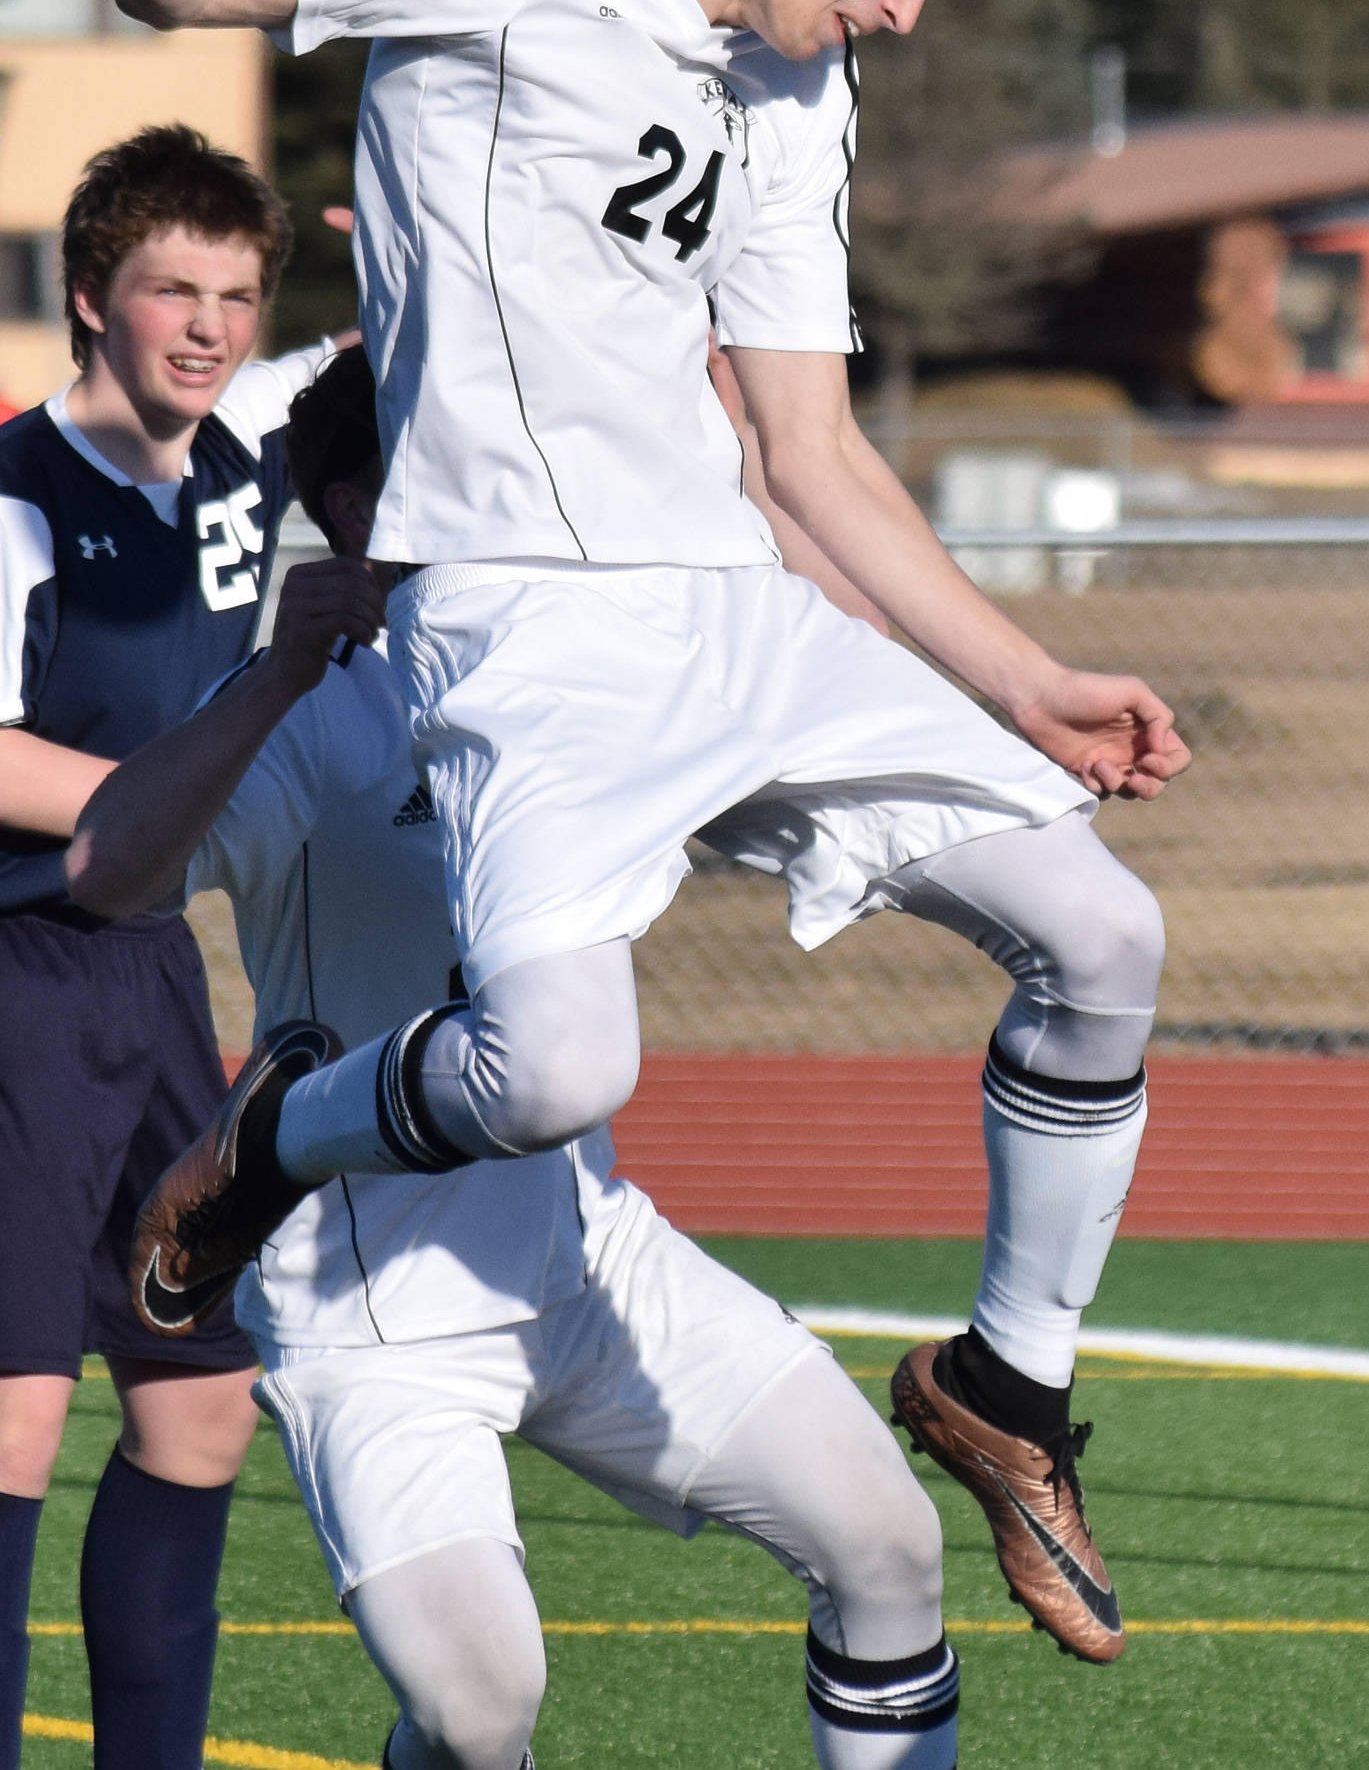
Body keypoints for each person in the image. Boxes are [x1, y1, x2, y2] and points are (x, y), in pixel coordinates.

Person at [103, 0, 1191, 1665]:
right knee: (557, 1072)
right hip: (530, 627)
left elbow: (807, 450)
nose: (908, 12)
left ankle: (1005, 1397)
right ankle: (284, 1131)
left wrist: (1032, 684)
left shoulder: (801, 77)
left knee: (1106, 928)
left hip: (735, 607)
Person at [65, 345, 961, 1770]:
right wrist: (276, 668)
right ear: (354, 509)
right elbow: (105, 871)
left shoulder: (586, 658)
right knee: (482, 1714)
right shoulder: (310, 707)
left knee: (889, 1546)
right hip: (376, 1320)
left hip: (583, 1255)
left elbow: (817, 641)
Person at [0, 125, 335, 1770]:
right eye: (170, 290)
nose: (206, 324)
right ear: (94, 299)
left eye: (232, 293)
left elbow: (388, 362)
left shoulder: (244, 450)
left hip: (149, 982)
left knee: (202, 1403)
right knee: (9, 1417)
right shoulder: (3, 490)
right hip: (0, 983)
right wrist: (194, 796)